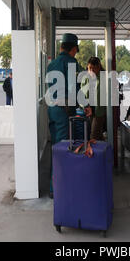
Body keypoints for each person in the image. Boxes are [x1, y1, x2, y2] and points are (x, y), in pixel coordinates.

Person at [47, 33, 85, 198]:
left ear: (62, 46)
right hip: (63, 111)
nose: (76, 53)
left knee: (56, 146)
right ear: (74, 48)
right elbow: (74, 88)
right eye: (76, 50)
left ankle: (53, 185)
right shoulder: (71, 62)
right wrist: (87, 105)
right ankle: (58, 188)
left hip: (52, 109)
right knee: (63, 147)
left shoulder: (52, 64)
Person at [81, 57, 106, 140]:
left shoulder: (105, 78)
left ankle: (94, 152)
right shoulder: (85, 78)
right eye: (89, 68)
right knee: (98, 134)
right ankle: (104, 151)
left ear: (99, 67)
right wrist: (85, 106)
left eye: (93, 68)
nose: (91, 71)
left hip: (100, 111)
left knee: (94, 136)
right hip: (89, 109)